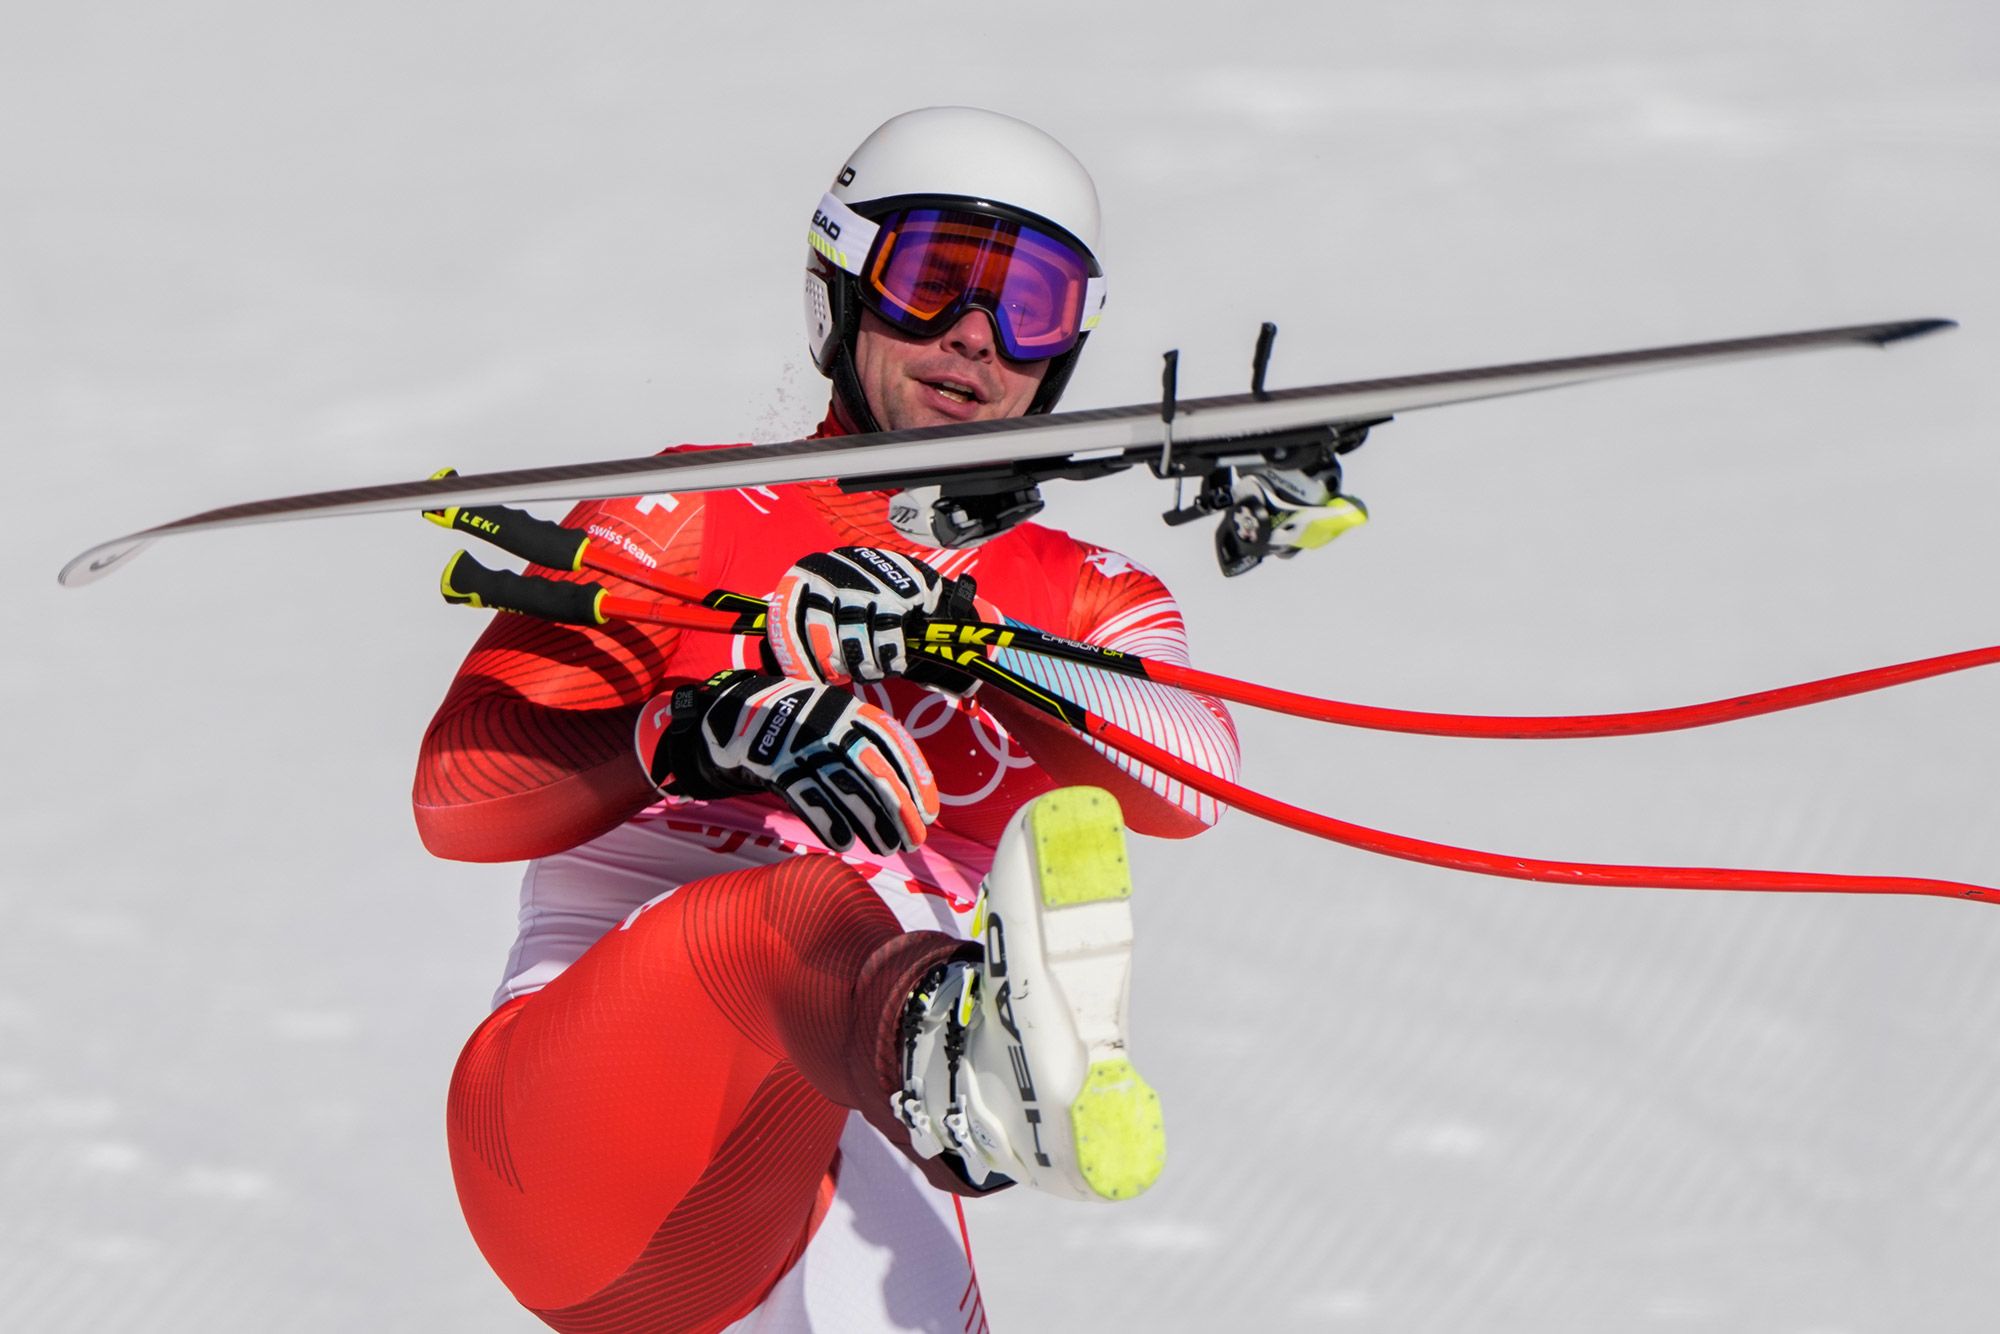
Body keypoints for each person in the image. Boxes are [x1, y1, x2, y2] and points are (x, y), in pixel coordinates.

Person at [418, 106, 1241, 1333]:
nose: (974, 334)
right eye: (933, 282)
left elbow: (1194, 777)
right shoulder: (689, 509)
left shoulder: (1082, 595)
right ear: (839, 292)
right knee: (795, 909)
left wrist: (972, 645)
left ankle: (953, 1057)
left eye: (1032, 304)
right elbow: (458, 794)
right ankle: (960, 1063)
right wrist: (693, 729)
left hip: (808, 1177)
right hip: (581, 1148)